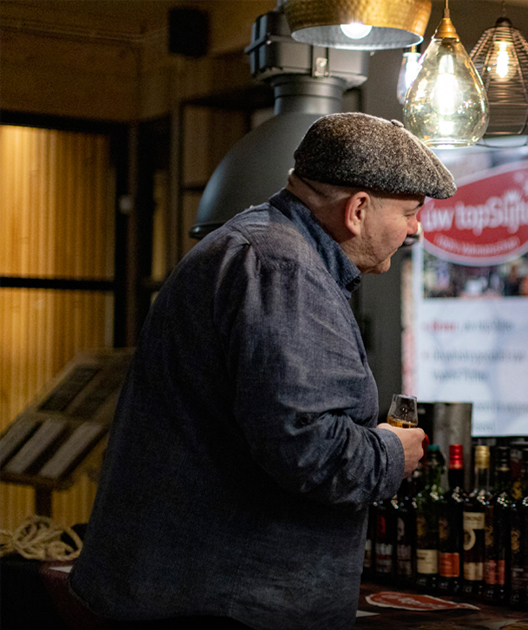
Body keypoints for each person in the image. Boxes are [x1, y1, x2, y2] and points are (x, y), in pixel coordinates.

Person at [69, 114, 456, 630]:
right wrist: (389, 453)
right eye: (409, 212)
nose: (416, 228)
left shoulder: (261, 246)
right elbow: (307, 449)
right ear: (358, 210)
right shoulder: (284, 269)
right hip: (224, 605)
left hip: (191, 593)